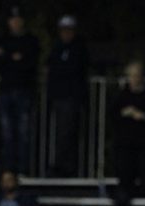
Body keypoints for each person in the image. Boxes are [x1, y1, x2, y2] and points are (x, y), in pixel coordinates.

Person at [111, 61, 145, 206]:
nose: (134, 79)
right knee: (124, 170)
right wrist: (125, 113)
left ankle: (143, 197)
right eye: (131, 76)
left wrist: (143, 116)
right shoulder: (122, 95)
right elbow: (113, 115)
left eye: (137, 75)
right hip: (125, 143)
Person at [0, 5, 40, 175]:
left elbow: (29, 63)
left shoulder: (30, 40)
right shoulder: (3, 39)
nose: (15, 23)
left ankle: (22, 169)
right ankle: (8, 169)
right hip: (6, 91)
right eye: (12, 20)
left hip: (24, 91)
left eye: (18, 19)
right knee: (7, 133)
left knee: (23, 132)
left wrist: (8, 57)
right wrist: (12, 58)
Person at [46, 15, 89, 177]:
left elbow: (77, 70)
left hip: (72, 97)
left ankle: (67, 167)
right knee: (60, 132)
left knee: (68, 132)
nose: (66, 33)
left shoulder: (79, 48)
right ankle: (60, 165)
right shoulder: (57, 48)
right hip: (59, 97)